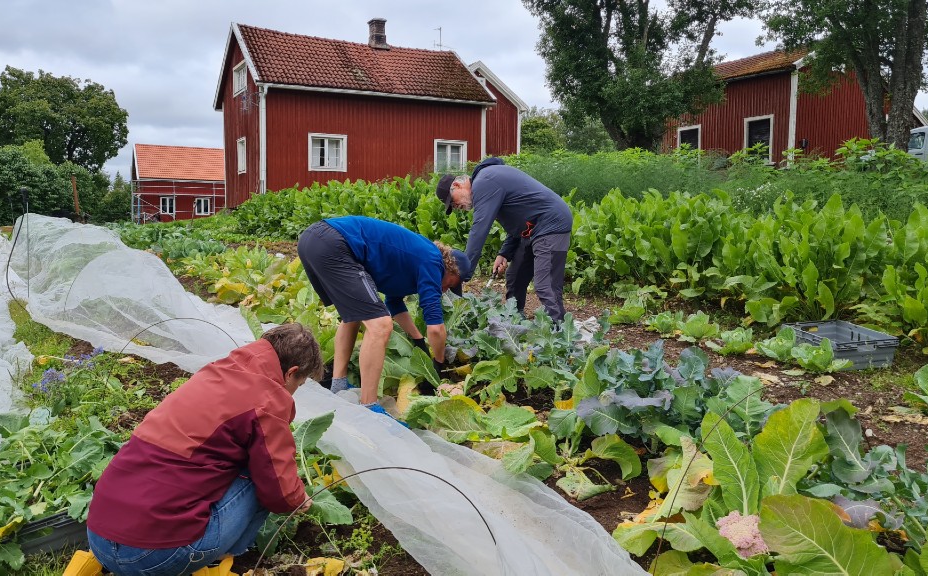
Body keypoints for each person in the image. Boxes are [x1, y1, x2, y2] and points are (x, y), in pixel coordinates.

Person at [85, 323, 323, 576]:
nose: (297, 389)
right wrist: (299, 498)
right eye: (301, 382)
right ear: (291, 373)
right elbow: (280, 494)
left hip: (99, 538)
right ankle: (222, 557)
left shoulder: (216, 371)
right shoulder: (268, 399)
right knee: (264, 474)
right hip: (153, 558)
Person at [297, 215, 472, 415]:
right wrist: (437, 366)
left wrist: (417, 340)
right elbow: (436, 329)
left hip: (312, 240)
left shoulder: (416, 258)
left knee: (353, 316)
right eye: (450, 284)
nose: (446, 291)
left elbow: (394, 303)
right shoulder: (433, 262)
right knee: (380, 325)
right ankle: (369, 408)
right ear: (450, 268)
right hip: (334, 244)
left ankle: (338, 386)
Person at [437, 157, 573, 323]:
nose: (457, 207)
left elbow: (479, 230)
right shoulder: (488, 180)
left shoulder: (484, 182)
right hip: (532, 229)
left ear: (457, 185)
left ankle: (560, 331)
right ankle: (515, 320)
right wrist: (504, 253)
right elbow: (517, 222)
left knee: (546, 284)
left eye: (453, 201)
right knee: (515, 276)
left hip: (551, 224)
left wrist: (463, 272)